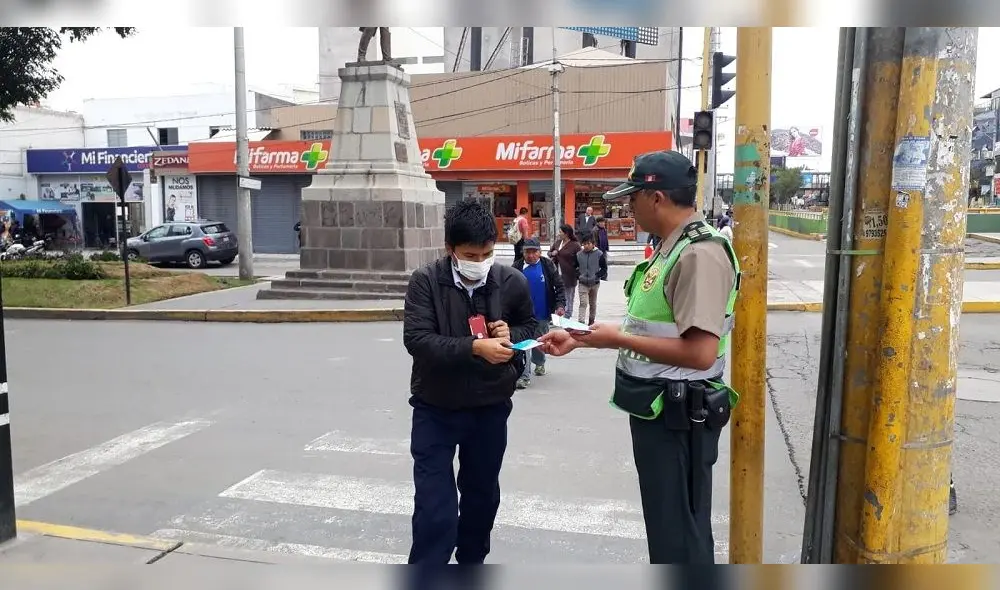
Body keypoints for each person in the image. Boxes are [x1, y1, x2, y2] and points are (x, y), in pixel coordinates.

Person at [539, 150, 741, 564]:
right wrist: (582, 338)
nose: (628, 206)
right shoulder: (671, 248)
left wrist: (614, 340)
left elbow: (700, 352)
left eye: (633, 197)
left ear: (657, 199)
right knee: (667, 532)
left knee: (679, 537)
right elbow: (647, 326)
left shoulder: (699, 253)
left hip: (681, 417)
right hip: (660, 411)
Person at [401, 199, 542, 564]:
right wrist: (475, 347)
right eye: (470, 254)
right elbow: (417, 340)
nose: (479, 262)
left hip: (490, 408)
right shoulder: (426, 282)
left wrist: (512, 333)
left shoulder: (510, 281)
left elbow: (531, 327)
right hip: (436, 408)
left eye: (487, 253)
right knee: (436, 510)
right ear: (450, 249)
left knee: (481, 500)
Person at [512, 238, 566, 389]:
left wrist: (560, 305)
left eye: (533, 252)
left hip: (542, 313)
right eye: (527, 252)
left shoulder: (547, 265)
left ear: (540, 252)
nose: (530, 255)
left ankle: (540, 363)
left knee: (538, 342)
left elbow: (559, 286)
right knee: (525, 346)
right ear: (522, 253)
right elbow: (508, 289)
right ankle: (524, 376)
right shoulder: (516, 267)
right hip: (522, 316)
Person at [574, 231, 608, 326]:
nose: (586, 246)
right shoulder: (579, 255)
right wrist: (578, 275)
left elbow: (604, 268)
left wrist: (597, 275)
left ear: (593, 244)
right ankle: (580, 322)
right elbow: (575, 267)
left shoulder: (599, 254)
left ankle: (591, 321)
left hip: (595, 283)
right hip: (582, 283)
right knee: (583, 303)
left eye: (588, 243)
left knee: (592, 304)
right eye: (584, 244)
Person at [548, 224, 581, 319]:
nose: (559, 234)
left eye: (560, 232)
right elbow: (549, 253)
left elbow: (580, 259)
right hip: (557, 273)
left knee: (568, 296)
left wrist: (577, 271)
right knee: (557, 294)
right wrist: (552, 253)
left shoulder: (575, 245)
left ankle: (567, 315)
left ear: (566, 233)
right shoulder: (558, 242)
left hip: (569, 274)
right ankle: (557, 314)